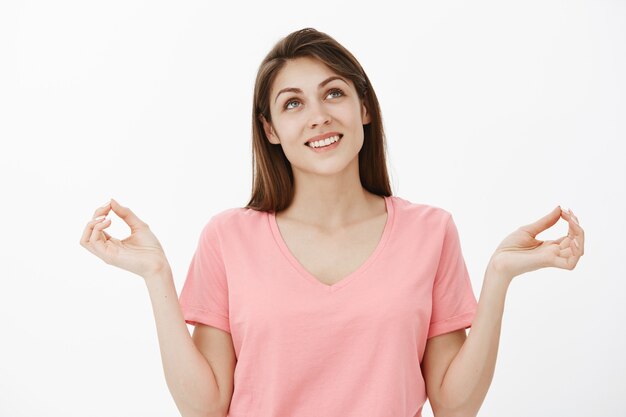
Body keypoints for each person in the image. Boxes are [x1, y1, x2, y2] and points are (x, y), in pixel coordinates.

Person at [79, 28, 585, 417]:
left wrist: (498, 277)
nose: (318, 116)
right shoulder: (228, 238)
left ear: (363, 107)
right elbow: (205, 406)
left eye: (334, 93)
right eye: (293, 103)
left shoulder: (430, 232)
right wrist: (156, 276)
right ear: (271, 130)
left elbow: (455, 406)